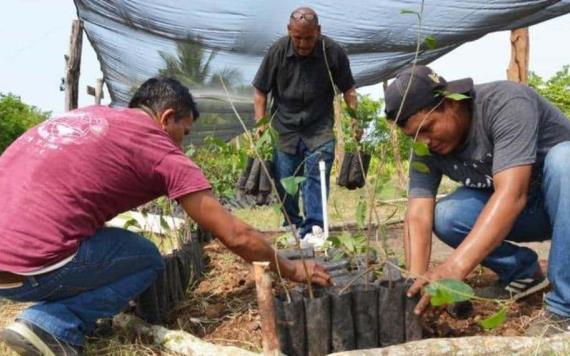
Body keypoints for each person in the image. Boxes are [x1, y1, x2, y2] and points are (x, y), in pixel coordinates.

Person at [0, 77, 331, 355]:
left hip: (7, 274)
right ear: (167, 117)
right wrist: (291, 268)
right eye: (184, 133)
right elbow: (235, 234)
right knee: (146, 259)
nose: (183, 146)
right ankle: (50, 324)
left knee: (98, 239)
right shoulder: (159, 149)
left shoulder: (84, 118)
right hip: (32, 270)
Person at [384, 65, 570, 336]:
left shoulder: (505, 103)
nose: (424, 141)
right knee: (446, 215)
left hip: (559, 201)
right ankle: (523, 274)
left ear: (449, 103)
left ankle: (563, 308)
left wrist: (455, 266)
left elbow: (511, 194)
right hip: (528, 212)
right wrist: (416, 281)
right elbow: (418, 214)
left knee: (565, 160)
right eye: (414, 137)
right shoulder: (425, 146)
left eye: (428, 128)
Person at [252, 6, 358, 246]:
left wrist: (354, 118)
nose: (302, 44)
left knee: (316, 176)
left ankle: (315, 227)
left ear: (318, 31)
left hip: (319, 126)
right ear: (289, 30)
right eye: (297, 37)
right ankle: (291, 225)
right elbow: (260, 91)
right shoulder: (278, 51)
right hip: (284, 128)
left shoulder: (333, 52)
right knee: (286, 179)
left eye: (309, 38)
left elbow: (348, 89)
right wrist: (261, 124)